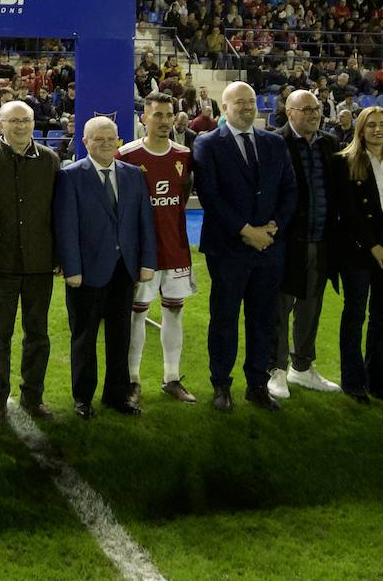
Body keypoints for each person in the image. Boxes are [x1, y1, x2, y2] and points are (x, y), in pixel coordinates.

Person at [191, 82, 296, 412]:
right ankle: (221, 385)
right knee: (224, 319)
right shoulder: (207, 144)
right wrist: (245, 231)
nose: (247, 107)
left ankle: (257, 385)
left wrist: (272, 228)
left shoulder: (274, 143)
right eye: (240, 102)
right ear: (224, 108)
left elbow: (289, 190)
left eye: (251, 101)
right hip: (227, 249)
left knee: (263, 319)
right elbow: (210, 195)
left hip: (268, 247)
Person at [55, 116, 156, 418]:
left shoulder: (133, 175)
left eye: (110, 138)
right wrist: (72, 268)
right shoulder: (70, 176)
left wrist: (147, 262)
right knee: (84, 337)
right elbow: (66, 227)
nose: (105, 144)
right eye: (97, 139)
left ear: (118, 140)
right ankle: (83, 398)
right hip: (86, 272)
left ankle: (117, 395)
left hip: (124, 270)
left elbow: (144, 223)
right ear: (84, 142)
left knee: (120, 336)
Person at [0, 100, 58, 423]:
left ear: (34, 124)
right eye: (13, 121)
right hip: (0, 263)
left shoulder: (50, 160)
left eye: (26, 121)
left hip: (39, 263)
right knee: (0, 336)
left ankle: (33, 397)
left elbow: (56, 214)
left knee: (38, 334)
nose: (21, 126)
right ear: (0, 125)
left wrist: (58, 256)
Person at [330, 106, 383, 404]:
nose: (378, 130)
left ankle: (378, 381)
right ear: (360, 130)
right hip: (357, 249)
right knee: (354, 315)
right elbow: (348, 211)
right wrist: (373, 247)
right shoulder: (344, 162)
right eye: (371, 125)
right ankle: (354, 382)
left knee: (382, 317)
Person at [117, 92, 197, 404]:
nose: (165, 121)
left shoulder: (184, 155)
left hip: (176, 249)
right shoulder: (128, 155)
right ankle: (133, 381)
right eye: (158, 115)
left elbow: (182, 197)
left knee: (174, 313)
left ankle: (171, 378)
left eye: (169, 115)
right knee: (136, 316)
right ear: (144, 118)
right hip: (141, 254)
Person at [269, 90, 341, 398]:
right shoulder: (274, 142)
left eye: (317, 109)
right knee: (279, 309)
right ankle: (276, 370)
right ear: (289, 112)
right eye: (306, 109)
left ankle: (302, 367)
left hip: (321, 239)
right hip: (287, 242)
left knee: (311, 307)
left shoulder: (329, 143)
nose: (313, 114)